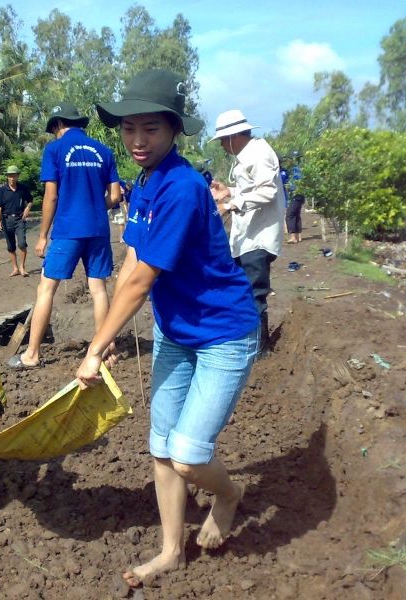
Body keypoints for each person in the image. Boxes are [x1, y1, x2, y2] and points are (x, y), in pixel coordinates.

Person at [76, 70, 260, 588]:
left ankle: (226, 495)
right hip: (175, 331)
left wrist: (97, 345)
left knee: (188, 454)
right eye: (129, 129)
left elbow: (141, 281)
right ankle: (170, 551)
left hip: (223, 333)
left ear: (174, 131)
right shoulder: (144, 183)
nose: (137, 140)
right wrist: (108, 335)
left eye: (150, 129)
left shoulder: (181, 187)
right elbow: (131, 260)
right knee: (161, 447)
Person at [8, 101, 121, 369]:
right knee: (98, 288)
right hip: (98, 229)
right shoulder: (104, 151)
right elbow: (115, 196)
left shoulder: (55, 149)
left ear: (58, 125)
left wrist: (43, 235)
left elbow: (51, 195)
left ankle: (32, 354)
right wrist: (95, 204)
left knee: (46, 287)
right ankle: (104, 349)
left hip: (69, 229)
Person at [209, 109, 286, 356]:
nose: (221, 145)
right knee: (243, 290)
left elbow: (267, 192)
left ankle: (258, 350)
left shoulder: (259, 153)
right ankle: (248, 343)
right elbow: (252, 189)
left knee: (254, 292)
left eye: (222, 139)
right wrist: (230, 191)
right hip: (249, 236)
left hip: (259, 238)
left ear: (233, 136)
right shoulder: (248, 155)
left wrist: (230, 204)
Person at [0, 165, 33, 277]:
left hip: (19, 218)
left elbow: (30, 200)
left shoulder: (23, 188)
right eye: (10, 176)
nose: (12, 178)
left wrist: (27, 208)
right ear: (7, 177)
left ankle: (22, 267)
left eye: (14, 176)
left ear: (17, 176)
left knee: (22, 243)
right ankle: (15, 268)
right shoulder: (2, 190)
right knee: (11, 246)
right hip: (6, 220)